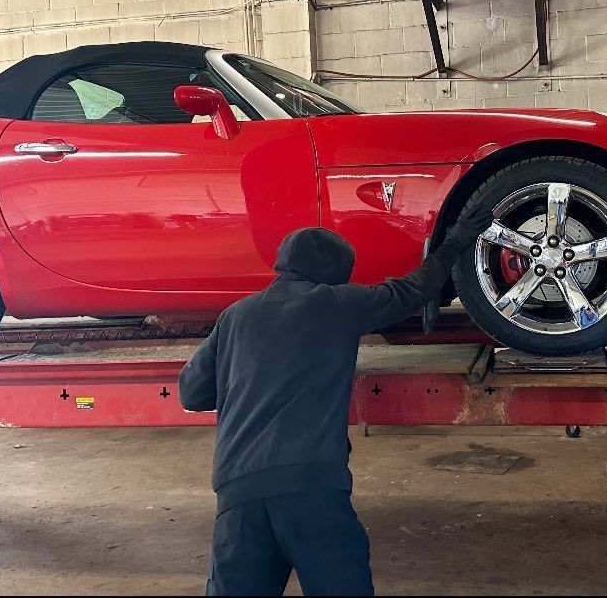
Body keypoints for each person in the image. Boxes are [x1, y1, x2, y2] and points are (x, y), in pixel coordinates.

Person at [178, 206, 495, 596]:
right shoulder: (333, 304)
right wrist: (456, 241)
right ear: (336, 274)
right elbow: (412, 290)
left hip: (237, 495)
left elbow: (192, 393)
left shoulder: (234, 316)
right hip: (310, 489)